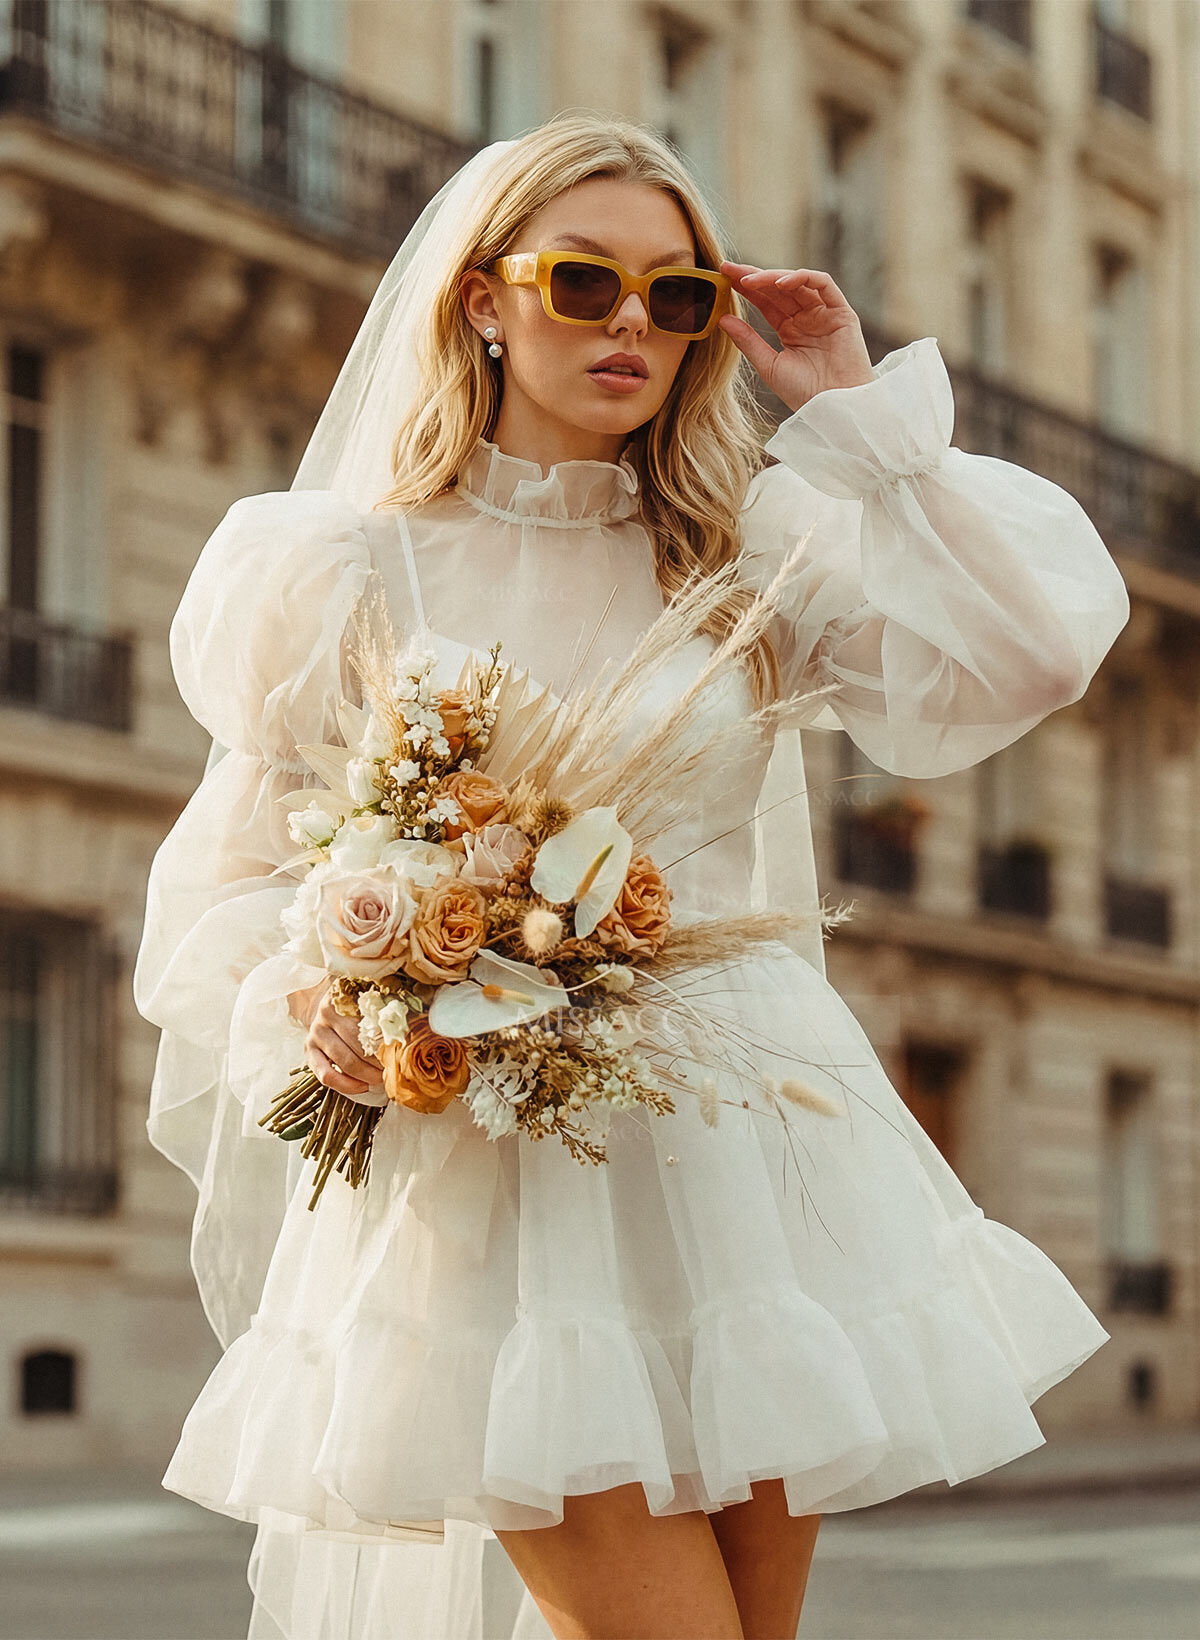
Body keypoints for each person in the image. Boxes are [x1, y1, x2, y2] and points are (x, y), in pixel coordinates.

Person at [132, 112, 1130, 1640]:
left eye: (676, 296)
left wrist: (862, 419)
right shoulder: (336, 564)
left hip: (750, 1159)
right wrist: (313, 997)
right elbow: (232, 878)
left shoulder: (751, 550)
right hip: (496, 1175)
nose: (630, 326)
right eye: (583, 280)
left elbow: (1033, 652)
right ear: (481, 298)